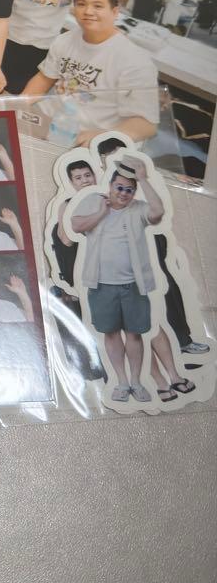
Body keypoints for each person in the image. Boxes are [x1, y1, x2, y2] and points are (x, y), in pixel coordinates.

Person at [67, 157, 194, 403]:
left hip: (134, 285)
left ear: (134, 192)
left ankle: (137, 382)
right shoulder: (93, 200)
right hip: (101, 285)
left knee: (135, 335)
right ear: (110, 186)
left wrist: (143, 178)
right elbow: (76, 225)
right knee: (111, 334)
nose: (123, 193)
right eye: (119, 188)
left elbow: (158, 212)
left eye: (129, 189)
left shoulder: (138, 208)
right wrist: (101, 212)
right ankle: (122, 383)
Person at [94, 137, 209, 359]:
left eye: (122, 152)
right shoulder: (103, 180)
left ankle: (182, 340)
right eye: (114, 154)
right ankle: (155, 346)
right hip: (121, 243)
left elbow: (159, 203)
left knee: (167, 287)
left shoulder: (144, 173)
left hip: (152, 236)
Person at [22, 0, 159, 145]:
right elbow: (45, 78)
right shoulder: (64, 40)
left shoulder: (135, 61)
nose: (88, 11)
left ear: (115, 11)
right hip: (49, 121)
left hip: (90, 137)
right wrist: (18, 105)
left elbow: (146, 125)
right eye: (81, 4)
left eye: (98, 6)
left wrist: (104, 137)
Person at [48, 158, 107, 381]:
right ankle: (88, 367)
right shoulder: (67, 204)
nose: (84, 181)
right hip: (74, 275)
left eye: (87, 175)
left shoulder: (107, 199)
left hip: (104, 272)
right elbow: (66, 239)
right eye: (78, 177)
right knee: (81, 320)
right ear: (71, 182)